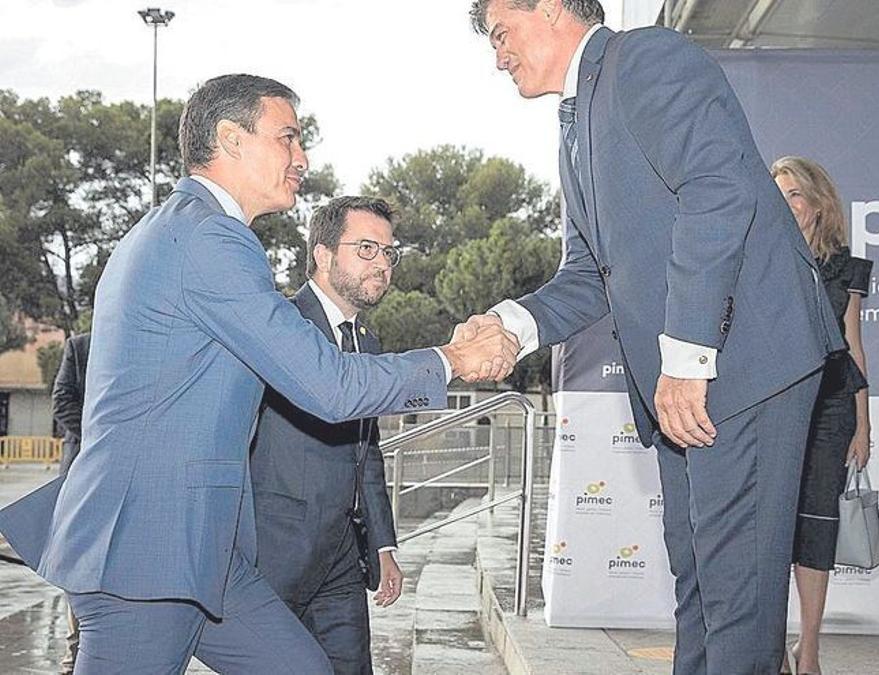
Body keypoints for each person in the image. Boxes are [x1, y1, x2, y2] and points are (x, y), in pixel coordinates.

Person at [0, 74, 517, 674]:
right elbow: (328, 384)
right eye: (288, 138)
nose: (302, 159)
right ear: (230, 138)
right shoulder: (209, 238)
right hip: (147, 551)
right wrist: (451, 360)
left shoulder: (182, 229)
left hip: (205, 552)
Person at [464, 2, 845, 673]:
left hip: (742, 360)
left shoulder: (644, 58)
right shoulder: (574, 120)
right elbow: (589, 274)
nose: (497, 57)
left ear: (551, 8)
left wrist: (689, 356)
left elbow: (720, 189)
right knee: (699, 583)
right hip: (693, 379)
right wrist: (511, 325)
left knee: (738, 600)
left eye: (500, 33)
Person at [251, 197, 407, 674]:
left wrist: (383, 543)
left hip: (342, 554)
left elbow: (367, 452)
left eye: (388, 252)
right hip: (276, 555)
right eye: (366, 248)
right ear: (321, 255)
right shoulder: (278, 326)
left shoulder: (368, 342)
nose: (382, 263)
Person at [770, 157, 872, 675]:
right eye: (777, 194)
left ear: (817, 204)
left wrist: (863, 423)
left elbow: (854, 345)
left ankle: (808, 650)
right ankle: (770, 648)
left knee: (815, 532)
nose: (786, 204)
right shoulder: (759, 259)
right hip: (773, 413)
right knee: (769, 534)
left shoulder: (845, 268)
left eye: (793, 194)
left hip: (831, 410)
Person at [50, 331, 90, 674]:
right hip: (81, 470)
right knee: (78, 563)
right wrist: (100, 435)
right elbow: (62, 402)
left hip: (129, 473)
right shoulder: (79, 347)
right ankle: (74, 656)